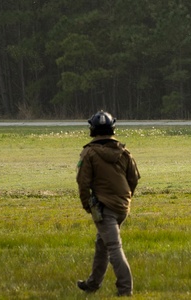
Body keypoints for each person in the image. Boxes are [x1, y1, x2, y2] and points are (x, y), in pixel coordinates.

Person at [76, 110, 140, 296]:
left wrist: (88, 205)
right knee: (102, 245)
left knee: (113, 247)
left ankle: (125, 289)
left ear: (93, 130)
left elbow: (82, 182)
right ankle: (93, 283)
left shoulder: (89, 153)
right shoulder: (124, 152)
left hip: (104, 208)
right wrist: (126, 199)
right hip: (122, 207)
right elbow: (134, 178)